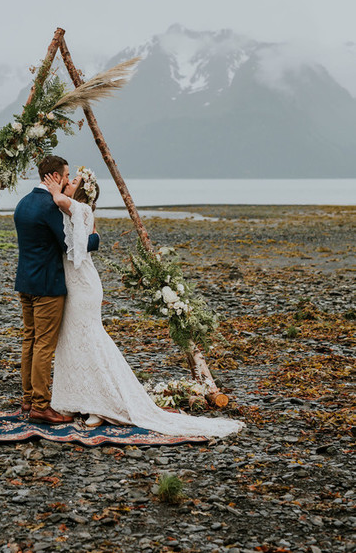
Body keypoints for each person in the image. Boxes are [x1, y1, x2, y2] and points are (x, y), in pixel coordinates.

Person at [44, 167, 244, 438]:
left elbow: (59, 201)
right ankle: (78, 398)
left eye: (73, 180)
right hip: (71, 284)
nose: (67, 182)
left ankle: (102, 404)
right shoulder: (73, 210)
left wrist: (54, 189)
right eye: (68, 178)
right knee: (71, 340)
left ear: (81, 190)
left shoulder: (81, 209)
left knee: (89, 339)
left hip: (84, 288)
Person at [13, 155, 100, 425]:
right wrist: (94, 238)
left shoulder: (22, 203)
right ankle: (40, 405)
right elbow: (70, 247)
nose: (67, 179)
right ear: (55, 177)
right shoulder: (50, 207)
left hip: (25, 281)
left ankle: (27, 399)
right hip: (48, 286)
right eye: (65, 175)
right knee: (44, 345)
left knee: (29, 339)